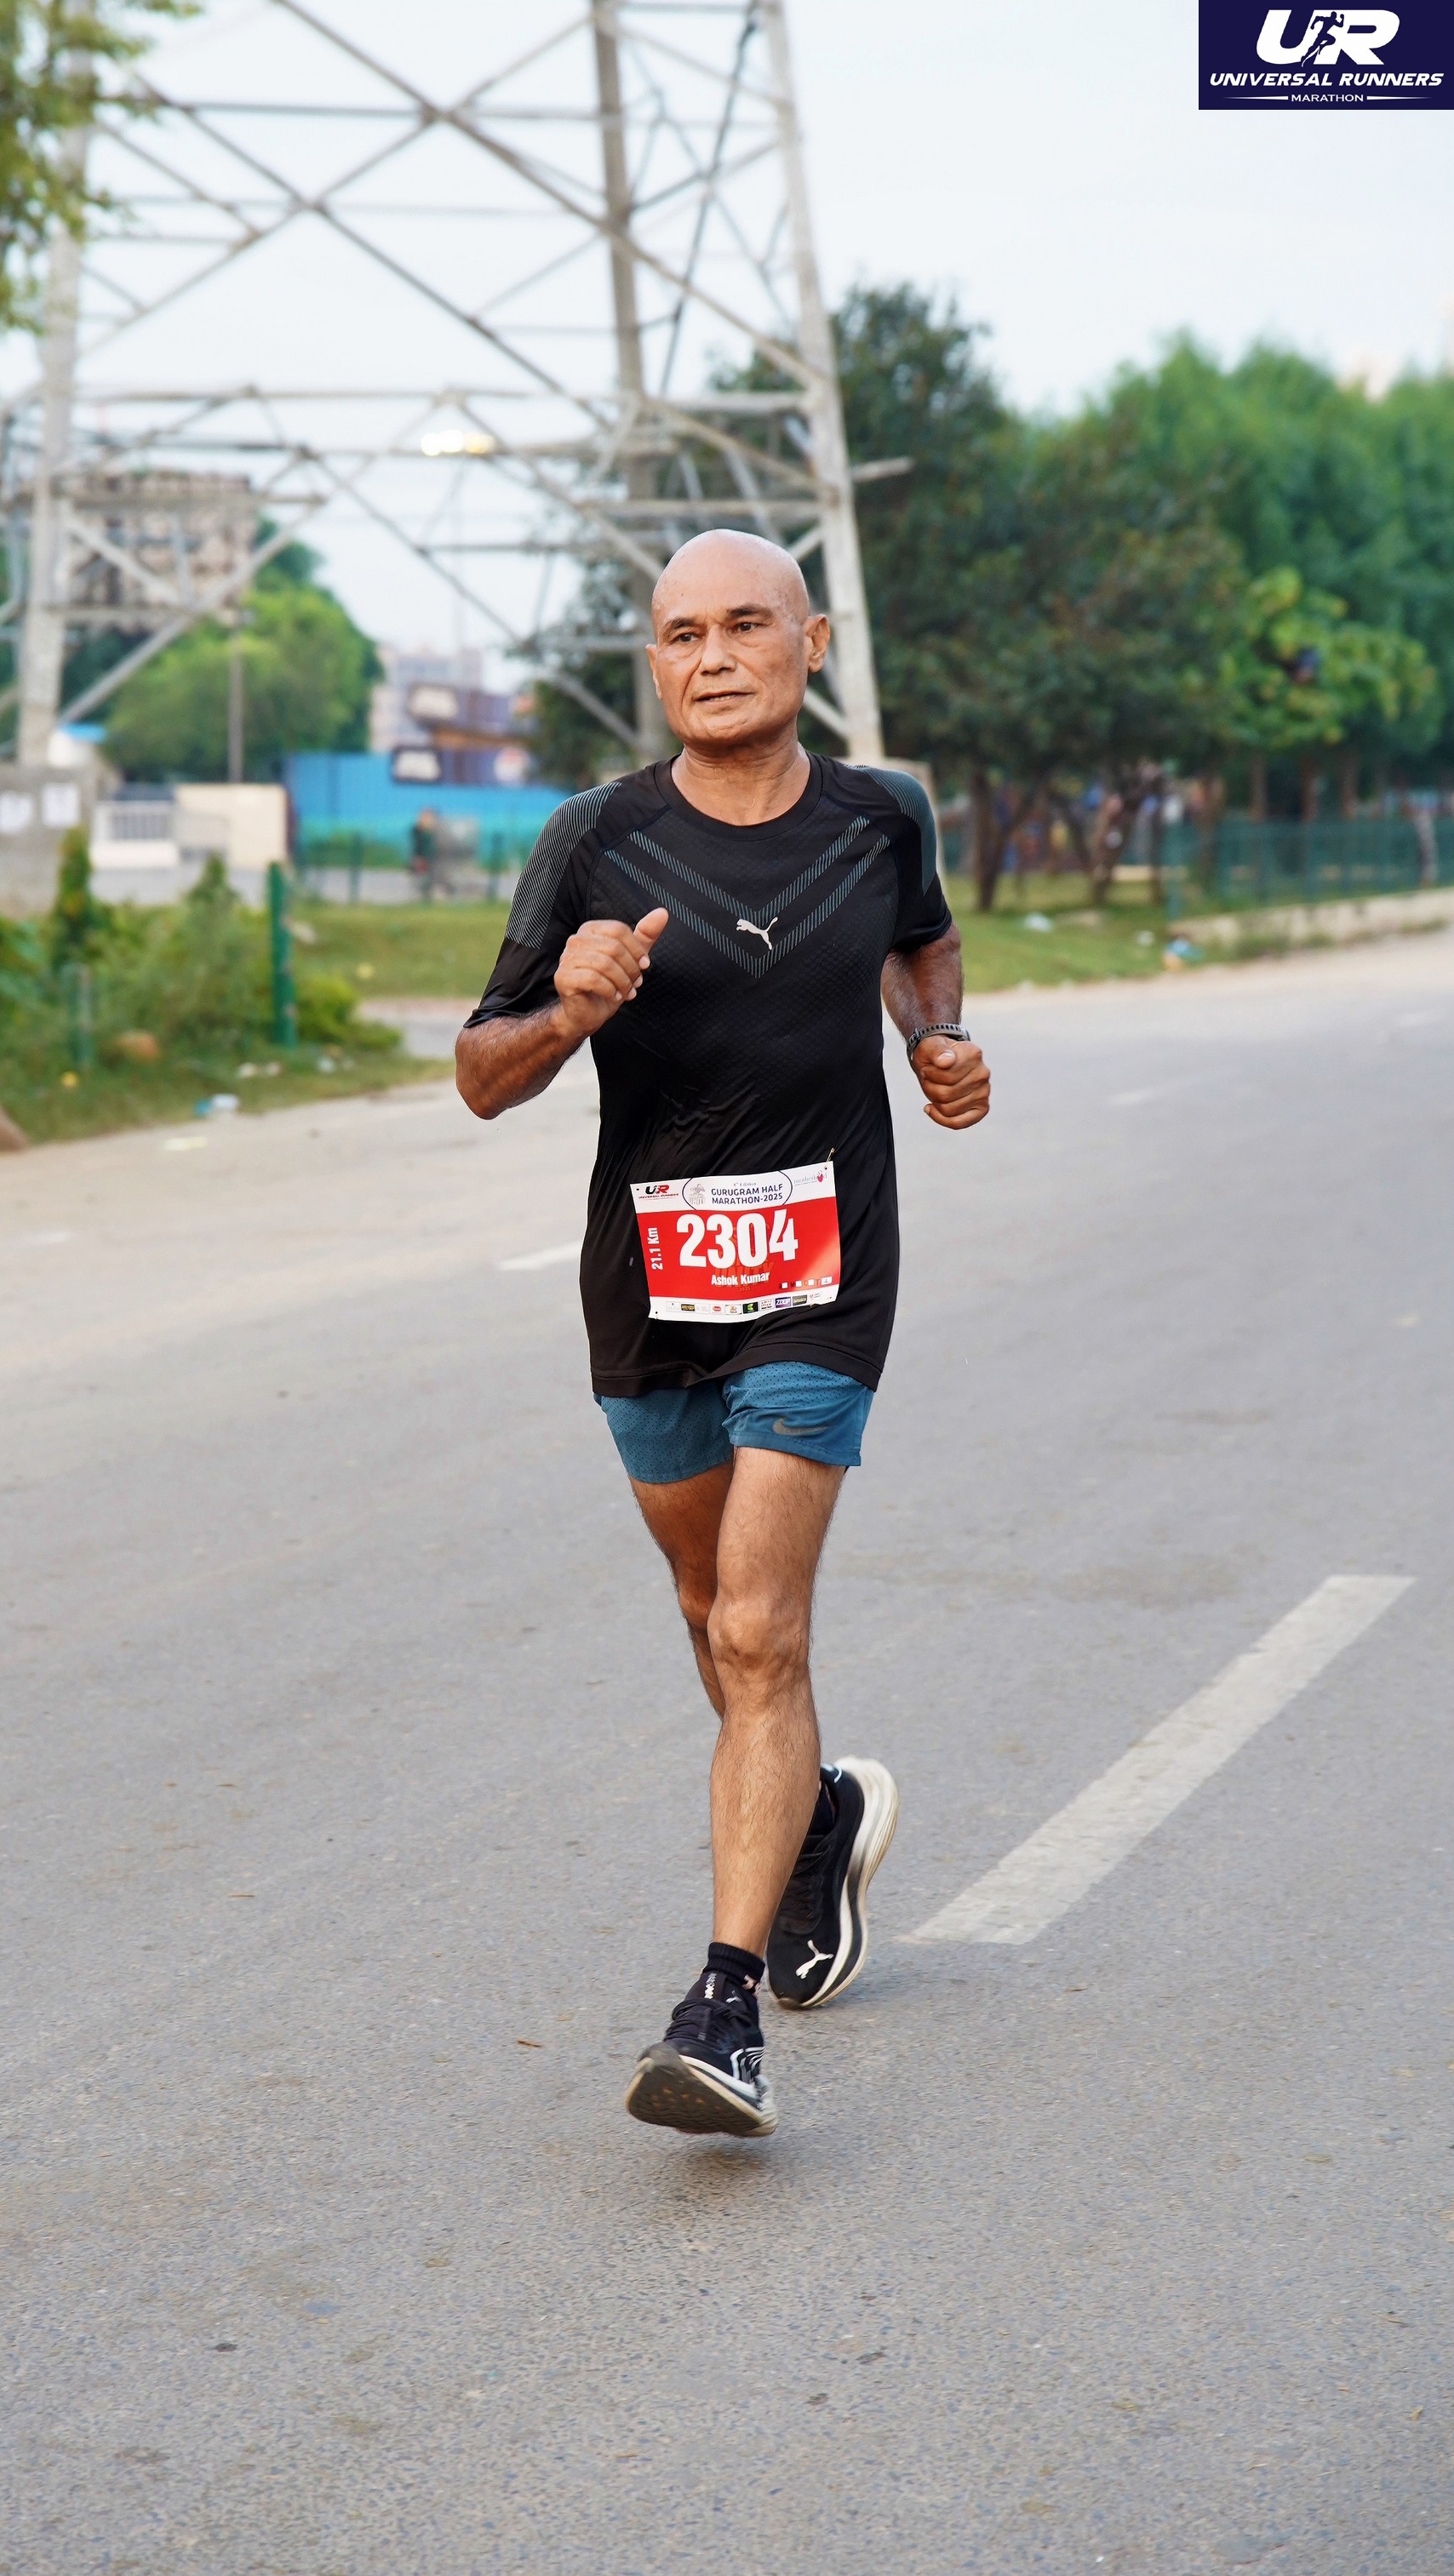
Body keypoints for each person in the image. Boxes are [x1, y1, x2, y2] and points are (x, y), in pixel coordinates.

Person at [455, 531, 991, 2139]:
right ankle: (812, 1817)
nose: (712, 656)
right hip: (649, 1279)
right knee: (708, 1610)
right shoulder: (594, 838)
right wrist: (570, 1009)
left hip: (825, 1269)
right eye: (682, 633)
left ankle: (722, 2006)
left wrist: (938, 1037)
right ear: (656, 664)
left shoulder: (880, 814)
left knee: (760, 1628)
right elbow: (480, 1072)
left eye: (746, 624)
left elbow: (921, 937)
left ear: (808, 644)